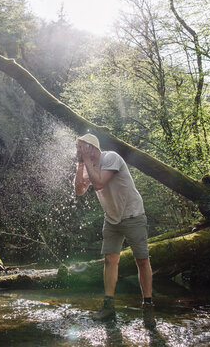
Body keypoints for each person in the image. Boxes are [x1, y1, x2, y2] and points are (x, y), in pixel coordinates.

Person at [74, 133, 155, 329]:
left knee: (142, 260)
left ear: (92, 148)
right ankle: (109, 306)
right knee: (110, 259)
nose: (79, 151)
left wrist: (86, 161)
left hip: (133, 215)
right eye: (78, 148)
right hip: (111, 219)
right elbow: (78, 191)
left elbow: (100, 182)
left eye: (82, 147)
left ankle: (148, 307)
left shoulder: (110, 157)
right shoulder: (86, 166)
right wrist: (80, 165)